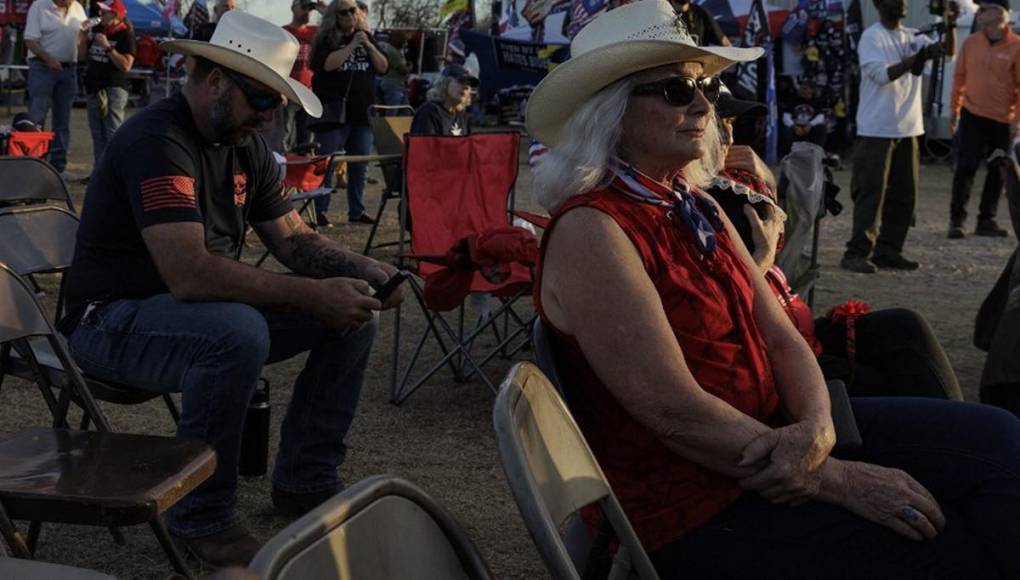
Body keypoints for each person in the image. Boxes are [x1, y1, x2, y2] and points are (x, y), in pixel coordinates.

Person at [528, 1, 1020, 577]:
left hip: (775, 434)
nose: (705, 106)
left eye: (706, 85)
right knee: (952, 544)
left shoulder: (696, 204)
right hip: (697, 504)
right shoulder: (594, 229)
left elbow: (783, 336)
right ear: (609, 112)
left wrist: (818, 430)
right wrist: (834, 477)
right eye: (675, 92)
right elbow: (673, 413)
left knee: (1003, 442)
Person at [57, 11, 403, 567]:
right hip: (108, 321)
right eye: (263, 101)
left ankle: (305, 480)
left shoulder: (242, 142)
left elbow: (294, 241)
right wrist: (314, 295)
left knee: (356, 312)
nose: (268, 119)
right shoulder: (156, 139)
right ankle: (201, 518)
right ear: (215, 80)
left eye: (278, 105)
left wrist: (366, 271)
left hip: (186, 314)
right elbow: (189, 273)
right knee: (236, 332)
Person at [708, 89, 963, 401]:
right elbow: (718, 310)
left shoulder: (731, 180)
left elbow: (780, 238)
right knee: (893, 378)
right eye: (719, 122)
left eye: (732, 122)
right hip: (772, 350)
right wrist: (761, 259)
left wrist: (768, 180)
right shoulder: (710, 200)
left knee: (905, 327)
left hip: (792, 327)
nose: (730, 134)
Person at [841, 0, 957, 274]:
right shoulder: (873, 37)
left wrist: (950, 24)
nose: (902, 3)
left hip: (909, 129)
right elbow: (882, 76)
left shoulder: (912, 35)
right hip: (876, 130)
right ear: (880, 5)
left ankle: (889, 250)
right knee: (871, 193)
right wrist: (916, 59)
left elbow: (947, 53)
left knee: (906, 195)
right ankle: (856, 252)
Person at [308, 0, 388, 227]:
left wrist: (369, 46)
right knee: (327, 163)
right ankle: (320, 211)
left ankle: (357, 210)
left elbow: (383, 67)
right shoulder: (326, 40)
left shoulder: (366, 37)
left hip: (362, 112)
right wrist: (351, 46)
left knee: (360, 164)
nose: (351, 15)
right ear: (335, 15)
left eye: (354, 10)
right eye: (345, 12)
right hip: (334, 113)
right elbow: (325, 65)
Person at [947, 0, 1020, 239]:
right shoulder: (971, 43)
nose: (978, 13)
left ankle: (986, 221)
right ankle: (956, 221)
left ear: (1000, 14)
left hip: (1001, 119)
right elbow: (959, 79)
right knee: (965, 166)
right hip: (972, 114)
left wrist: (1016, 121)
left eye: (984, 9)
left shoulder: (1017, 46)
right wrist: (954, 111)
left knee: (997, 169)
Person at [23, 0, 87, 181]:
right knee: (37, 118)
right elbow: (29, 40)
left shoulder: (77, 8)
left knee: (63, 120)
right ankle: (34, 166)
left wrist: (84, 38)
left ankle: (59, 167)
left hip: (69, 69)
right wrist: (48, 58)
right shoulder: (39, 6)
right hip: (42, 67)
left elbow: (80, 40)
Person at [80, 0, 135, 170]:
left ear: (115, 15)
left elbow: (126, 65)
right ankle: (99, 172)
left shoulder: (125, 35)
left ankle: (115, 173)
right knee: (97, 135)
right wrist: (82, 35)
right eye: (100, 12)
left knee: (113, 133)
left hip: (114, 88)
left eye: (104, 13)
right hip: (94, 88)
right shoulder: (98, 31)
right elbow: (82, 56)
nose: (100, 16)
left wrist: (107, 47)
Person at [283, 0, 325, 151]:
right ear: (293, 8)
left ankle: (302, 170)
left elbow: (335, 29)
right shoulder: (284, 32)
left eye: (310, 8)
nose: (307, 11)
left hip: (308, 92)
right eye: (303, 7)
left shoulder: (315, 31)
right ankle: (283, 168)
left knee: (306, 138)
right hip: (287, 91)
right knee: (284, 136)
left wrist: (323, 10)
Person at [410, 63, 477, 137]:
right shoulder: (429, 112)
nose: (466, 87)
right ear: (445, 83)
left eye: (469, 85)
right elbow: (425, 146)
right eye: (461, 81)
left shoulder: (462, 115)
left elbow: (468, 146)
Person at [378, 30, 410, 111]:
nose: (405, 43)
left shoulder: (396, 50)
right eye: (403, 40)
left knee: (405, 111)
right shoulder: (392, 51)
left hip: (399, 85)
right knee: (392, 112)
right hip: (393, 85)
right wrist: (409, 67)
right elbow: (403, 70)